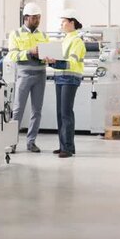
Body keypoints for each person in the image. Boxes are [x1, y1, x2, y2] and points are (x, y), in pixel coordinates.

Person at [7, 2, 49, 152]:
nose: (37, 21)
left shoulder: (43, 35)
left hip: (40, 75)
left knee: (37, 110)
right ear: (26, 18)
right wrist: (29, 52)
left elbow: (47, 54)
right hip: (24, 75)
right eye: (34, 18)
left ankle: (31, 142)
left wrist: (48, 58)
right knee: (18, 110)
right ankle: (12, 143)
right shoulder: (16, 34)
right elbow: (12, 54)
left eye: (39, 18)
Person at [44, 10, 86, 158]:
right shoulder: (66, 39)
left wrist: (57, 62)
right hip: (61, 78)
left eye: (63, 21)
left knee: (66, 113)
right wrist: (51, 62)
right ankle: (64, 145)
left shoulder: (77, 41)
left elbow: (73, 62)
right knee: (60, 113)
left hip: (70, 78)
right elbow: (60, 61)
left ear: (72, 22)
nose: (61, 24)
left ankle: (67, 148)